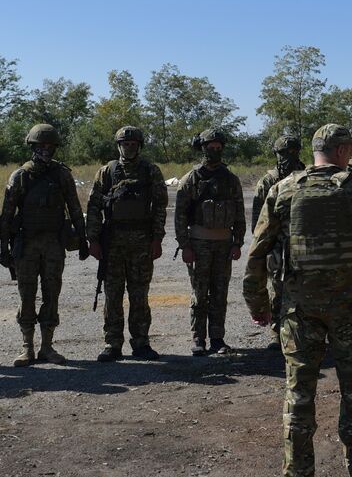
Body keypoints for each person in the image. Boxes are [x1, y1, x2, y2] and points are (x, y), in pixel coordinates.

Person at [243, 123, 352, 477]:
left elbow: (258, 251)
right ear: (344, 151)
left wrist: (258, 304)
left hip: (299, 309)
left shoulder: (284, 189)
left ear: (316, 150)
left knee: (298, 394)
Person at [0, 123, 86, 367]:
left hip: (53, 245)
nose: (46, 150)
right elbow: (6, 216)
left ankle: (47, 347)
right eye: (41, 145)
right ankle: (27, 347)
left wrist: (82, 240)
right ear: (33, 146)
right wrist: (3, 248)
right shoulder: (20, 176)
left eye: (50, 146)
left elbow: (75, 208)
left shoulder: (62, 175)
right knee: (26, 295)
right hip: (26, 245)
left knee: (52, 295)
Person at [85, 126, 168, 362]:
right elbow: (94, 206)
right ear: (118, 146)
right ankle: (112, 343)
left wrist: (157, 239)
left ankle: (141, 343)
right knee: (112, 295)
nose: (129, 147)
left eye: (133, 144)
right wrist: (93, 239)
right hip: (112, 243)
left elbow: (160, 207)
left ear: (139, 146)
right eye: (125, 144)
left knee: (139, 294)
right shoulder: (106, 171)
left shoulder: (150, 171)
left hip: (141, 243)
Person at [175, 128, 245, 356]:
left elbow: (239, 214)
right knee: (199, 294)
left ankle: (217, 338)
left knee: (219, 293)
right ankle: (198, 339)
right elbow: (180, 216)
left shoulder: (231, 179)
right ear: (202, 148)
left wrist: (237, 243)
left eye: (218, 147)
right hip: (198, 245)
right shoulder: (191, 179)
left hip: (224, 245)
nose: (215, 150)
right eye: (210, 147)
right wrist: (185, 246)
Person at [250, 133, 305, 349]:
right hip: (276, 243)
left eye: (292, 152)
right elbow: (258, 218)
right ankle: (277, 332)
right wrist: (262, 246)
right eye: (283, 153)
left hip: (301, 242)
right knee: (277, 288)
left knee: (302, 288)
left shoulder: (306, 175)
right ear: (276, 154)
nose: (287, 157)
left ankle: (301, 331)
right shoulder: (268, 181)